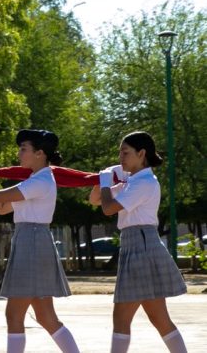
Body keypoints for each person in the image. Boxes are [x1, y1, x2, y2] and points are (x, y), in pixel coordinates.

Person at [0, 130, 79, 353]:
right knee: (46, 317)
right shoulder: (35, 180)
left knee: (14, 315)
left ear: (40, 153)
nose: (19, 153)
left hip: (32, 242)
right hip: (30, 240)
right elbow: (1, 208)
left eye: (24, 149)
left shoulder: (40, 180)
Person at [88, 131, 188, 353]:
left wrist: (106, 184)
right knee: (158, 318)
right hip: (137, 244)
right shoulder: (131, 181)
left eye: (126, 152)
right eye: (120, 153)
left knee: (122, 318)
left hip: (141, 245)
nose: (121, 157)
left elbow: (108, 209)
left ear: (141, 154)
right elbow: (95, 200)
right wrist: (102, 180)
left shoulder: (143, 182)